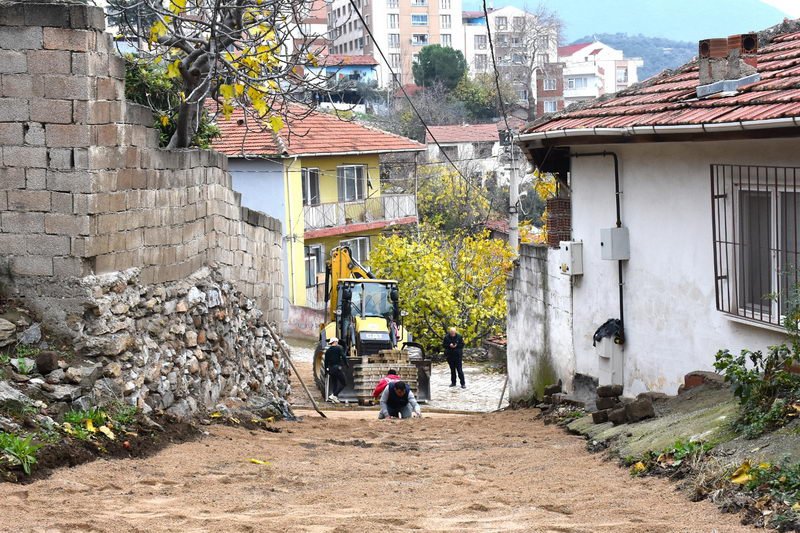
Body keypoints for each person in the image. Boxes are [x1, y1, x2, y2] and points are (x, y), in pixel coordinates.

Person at [324, 337, 348, 403]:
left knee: (335, 384)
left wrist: (326, 371)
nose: (337, 343)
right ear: (334, 342)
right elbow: (343, 356)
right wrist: (346, 364)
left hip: (331, 370)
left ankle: (334, 399)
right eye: (337, 342)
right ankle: (334, 395)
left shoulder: (328, 351)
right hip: (337, 369)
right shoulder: (338, 349)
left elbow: (326, 362)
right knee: (344, 383)